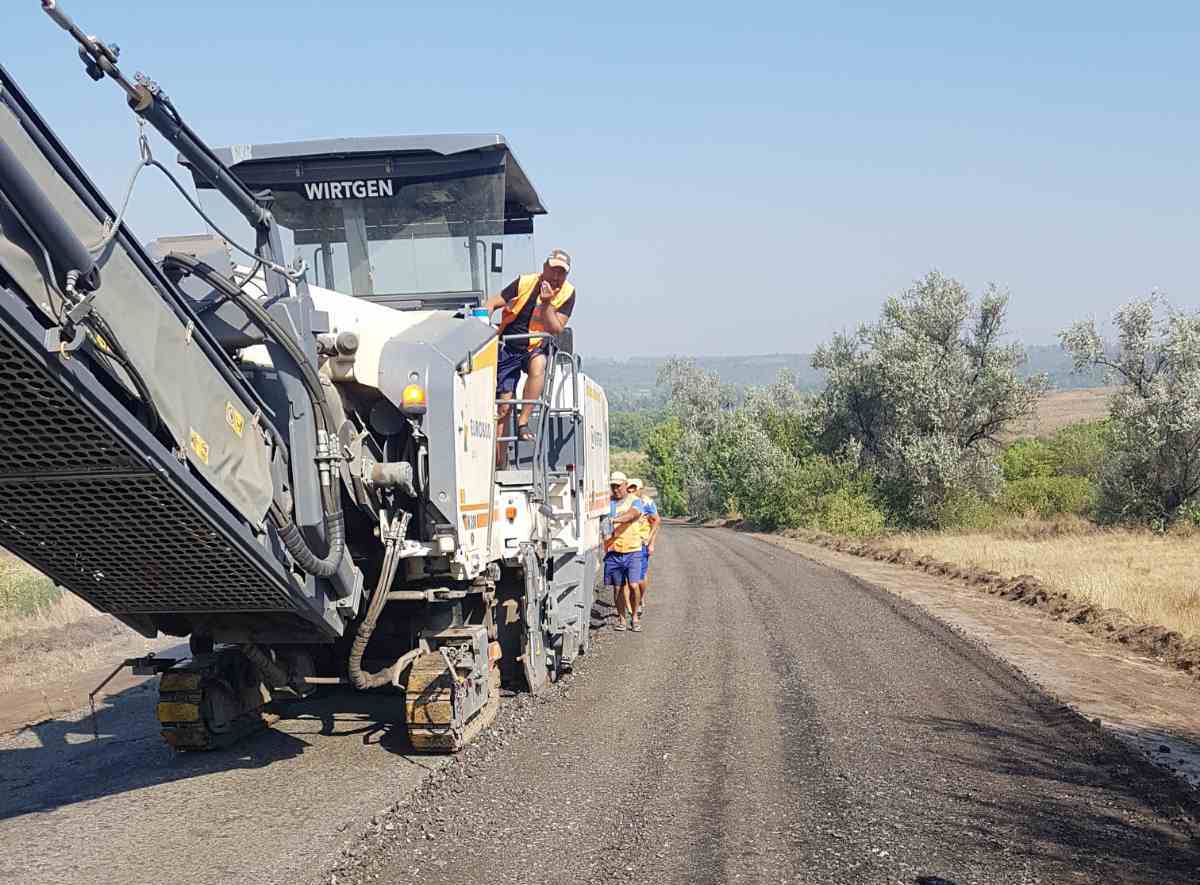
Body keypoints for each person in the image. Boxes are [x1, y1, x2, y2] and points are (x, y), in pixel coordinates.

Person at [486, 249, 576, 462]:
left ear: (566, 275)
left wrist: (546, 304)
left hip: (536, 344)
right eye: (553, 270)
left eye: (560, 273)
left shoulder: (568, 293)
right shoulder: (524, 282)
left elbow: (555, 328)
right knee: (504, 405)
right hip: (508, 345)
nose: (555, 277)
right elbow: (492, 303)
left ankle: (523, 422)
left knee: (539, 364)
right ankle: (500, 462)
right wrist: (484, 320)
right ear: (544, 268)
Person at [603, 471, 646, 632]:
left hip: (633, 550)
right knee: (618, 587)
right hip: (613, 550)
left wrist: (615, 519)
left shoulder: (635, 501)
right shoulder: (608, 503)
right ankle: (622, 619)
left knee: (634, 585)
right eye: (612, 486)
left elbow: (632, 514)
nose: (615, 489)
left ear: (626, 485)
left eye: (618, 486)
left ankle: (634, 617)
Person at [626, 478, 659, 617]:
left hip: (641, 543)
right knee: (627, 578)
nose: (631, 490)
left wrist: (650, 542)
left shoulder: (647, 502)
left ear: (640, 489)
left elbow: (656, 521)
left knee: (640, 577)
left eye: (634, 488)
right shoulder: (624, 502)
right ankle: (629, 606)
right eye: (629, 488)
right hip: (626, 543)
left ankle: (639, 599)